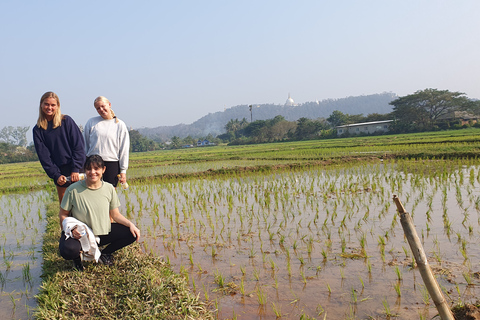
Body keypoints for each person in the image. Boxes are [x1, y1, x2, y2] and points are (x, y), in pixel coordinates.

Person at [58, 155, 140, 271]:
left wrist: (131, 224)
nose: (93, 172)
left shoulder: (109, 188)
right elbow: (63, 214)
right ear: (85, 170)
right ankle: (77, 259)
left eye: (96, 169)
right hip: (81, 234)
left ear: (103, 170)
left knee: (132, 233)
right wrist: (71, 230)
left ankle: (105, 253)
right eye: (89, 169)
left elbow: (115, 215)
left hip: (102, 232)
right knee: (68, 250)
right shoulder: (73, 190)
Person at [33, 91, 85, 204]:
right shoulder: (38, 130)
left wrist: (76, 169)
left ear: (57, 106)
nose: (49, 107)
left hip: (77, 168)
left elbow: (78, 146)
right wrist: (56, 175)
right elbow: (44, 156)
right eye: (46, 104)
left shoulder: (66, 121)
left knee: (83, 204)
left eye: (53, 105)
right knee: (65, 207)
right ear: (41, 105)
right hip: (59, 171)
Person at [84, 96, 130, 188]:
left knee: (110, 194)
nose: (101, 109)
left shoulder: (119, 125)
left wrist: (123, 171)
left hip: (112, 164)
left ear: (109, 105)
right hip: (93, 163)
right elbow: (85, 145)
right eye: (98, 108)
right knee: (93, 193)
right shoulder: (91, 122)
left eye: (103, 106)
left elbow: (124, 150)